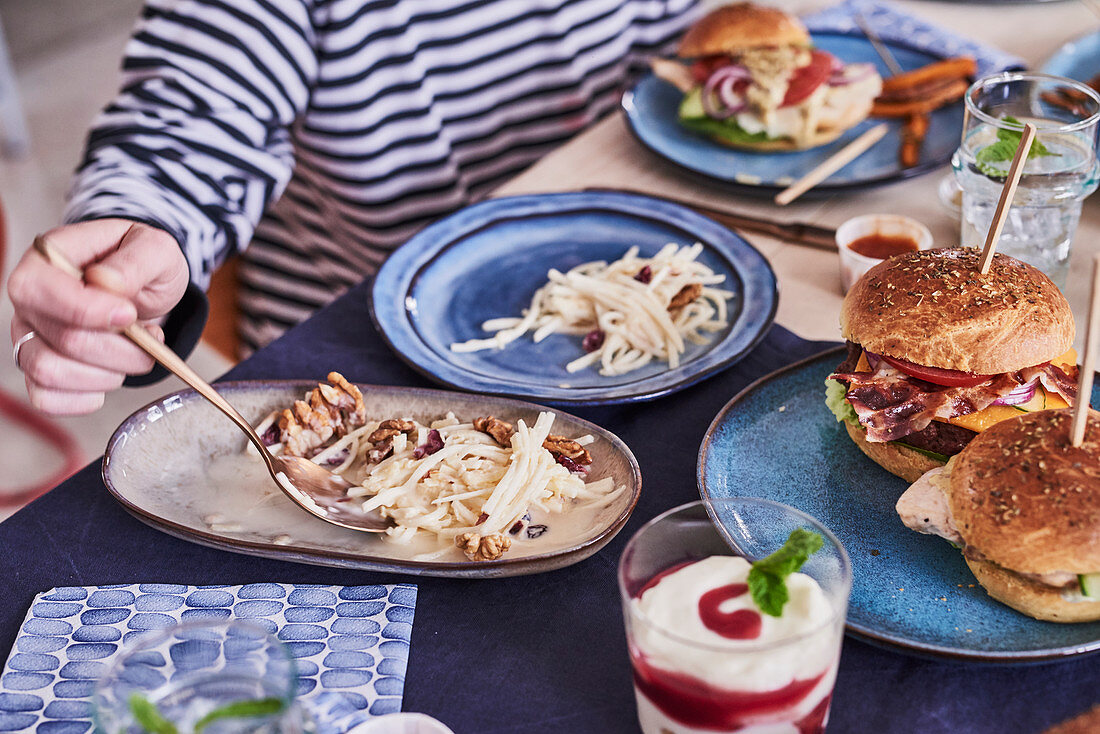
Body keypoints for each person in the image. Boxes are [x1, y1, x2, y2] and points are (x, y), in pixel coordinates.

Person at [8, 0, 698, 415]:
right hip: (372, 366)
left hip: (635, 317)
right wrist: (135, 234)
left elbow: (682, 59)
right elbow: (190, 125)